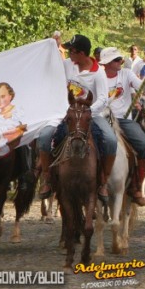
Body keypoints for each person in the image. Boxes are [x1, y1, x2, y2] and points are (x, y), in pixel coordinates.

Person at [37, 34, 116, 202]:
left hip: (91, 116)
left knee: (111, 140)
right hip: (65, 114)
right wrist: (53, 46)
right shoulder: (67, 65)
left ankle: (103, 181)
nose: (70, 55)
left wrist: (85, 113)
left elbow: (103, 99)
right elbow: (50, 66)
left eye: (71, 51)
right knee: (44, 138)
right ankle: (47, 177)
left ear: (81, 53)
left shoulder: (98, 73)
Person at [99, 47, 145, 206]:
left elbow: (142, 87)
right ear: (108, 63)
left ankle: (136, 184)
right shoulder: (99, 77)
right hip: (103, 119)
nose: (120, 62)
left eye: (120, 59)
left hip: (124, 120)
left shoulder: (126, 74)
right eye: (117, 60)